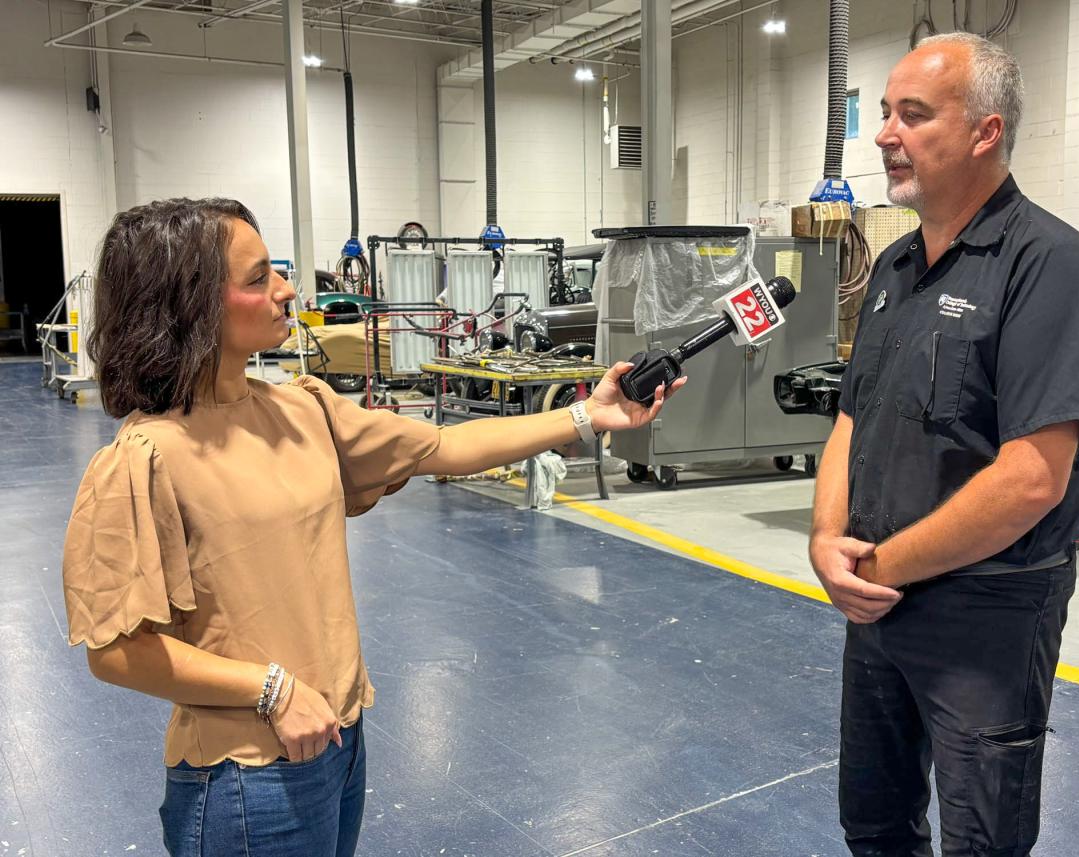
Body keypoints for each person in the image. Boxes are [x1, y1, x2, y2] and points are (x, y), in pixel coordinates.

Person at [62, 197, 685, 856]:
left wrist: (591, 414)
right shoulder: (147, 456)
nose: (285, 289)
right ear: (190, 307)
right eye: (256, 280)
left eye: (276, 270)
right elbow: (117, 650)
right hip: (247, 773)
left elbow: (442, 448)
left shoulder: (300, 409)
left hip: (336, 740)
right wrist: (271, 690)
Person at [807, 33, 1079, 857]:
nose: (883, 134)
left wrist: (878, 569)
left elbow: (1032, 480)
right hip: (875, 603)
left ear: (985, 132)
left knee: (981, 840)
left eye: (913, 114)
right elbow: (850, 419)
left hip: (986, 615)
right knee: (872, 823)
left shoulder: (1048, 264)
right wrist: (825, 541)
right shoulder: (895, 268)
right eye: (883, 114)